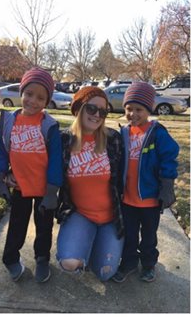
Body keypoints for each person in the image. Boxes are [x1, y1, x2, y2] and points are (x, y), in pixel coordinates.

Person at [0, 67, 63, 282]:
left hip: (44, 189)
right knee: (17, 226)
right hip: (20, 186)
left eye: (41, 97)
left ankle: (42, 259)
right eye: (29, 94)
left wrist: (52, 191)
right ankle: (10, 258)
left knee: (44, 228)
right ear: (21, 92)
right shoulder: (8, 121)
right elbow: (0, 150)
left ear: (47, 101)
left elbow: (56, 160)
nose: (33, 100)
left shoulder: (49, 126)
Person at [55, 87, 125, 281]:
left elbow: (129, 172)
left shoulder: (113, 140)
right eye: (92, 109)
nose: (97, 115)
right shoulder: (63, 140)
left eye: (102, 112)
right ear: (79, 108)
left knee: (105, 273)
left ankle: (94, 244)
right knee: (69, 263)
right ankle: (77, 243)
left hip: (111, 217)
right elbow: (39, 165)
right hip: (80, 214)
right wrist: (8, 173)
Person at [112, 82, 179, 283]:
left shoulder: (157, 133)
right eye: (129, 109)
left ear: (148, 110)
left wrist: (167, 185)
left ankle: (148, 265)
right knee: (129, 235)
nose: (133, 114)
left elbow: (170, 156)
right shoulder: (124, 132)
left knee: (148, 237)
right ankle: (129, 263)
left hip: (149, 199)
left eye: (139, 109)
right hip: (128, 199)